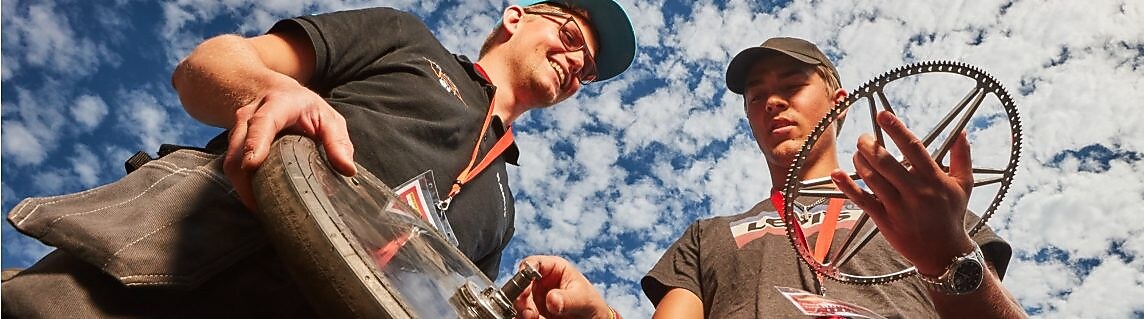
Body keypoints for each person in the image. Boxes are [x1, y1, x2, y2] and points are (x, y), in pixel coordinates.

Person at [2, 0, 635, 317]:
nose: (579, 62)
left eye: (591, 70)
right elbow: (206, 68)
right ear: (515, 16)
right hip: (150, 283)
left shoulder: (501, 206)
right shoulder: (407, 43)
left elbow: (442, 304)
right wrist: (271, 90)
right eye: (572, 35)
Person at [517, 37, 1025, 318]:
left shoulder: (926, 210)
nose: (771, 100)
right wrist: (595, 317)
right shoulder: (706, 236)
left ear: (839, 102)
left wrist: (947, 255)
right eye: (756, 94)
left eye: (792, 84)